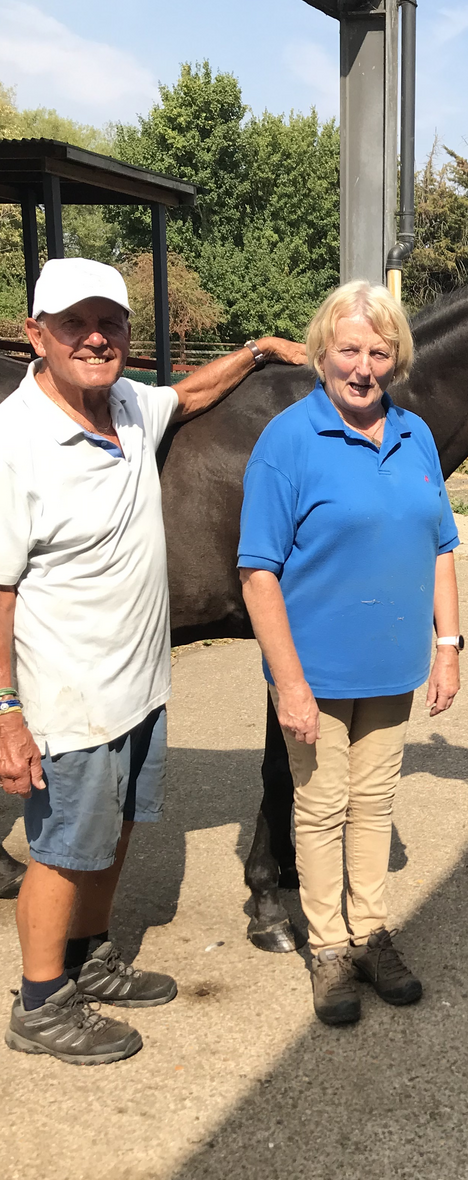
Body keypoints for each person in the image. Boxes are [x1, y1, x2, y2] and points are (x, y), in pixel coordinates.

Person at [0, 256, 306, 1064]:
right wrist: (5, 711)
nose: (95, 338)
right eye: (74, 324)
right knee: (63, 846)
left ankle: (91, 955)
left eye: (111, 323)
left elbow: (194, 393)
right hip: (67, 688)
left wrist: (257, 350)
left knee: (116, 831)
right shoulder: (16, 439)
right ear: (37, 334)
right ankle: (39, 1002)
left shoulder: (130, 404)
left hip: (136, 684)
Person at [238, 280, 460, 1026]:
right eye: (348, 350)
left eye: (378, 350)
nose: (363, 366)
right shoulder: (289, 441)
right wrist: (289, 683)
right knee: (322, 805)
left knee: (374, 805)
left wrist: (449, 644)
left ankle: (370, 933)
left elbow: (443, 546)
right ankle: (329, 947)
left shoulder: (415, 435)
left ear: (396, 356)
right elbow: (257, 571)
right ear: (320, 354)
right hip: (318, 672)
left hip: (393, 667)